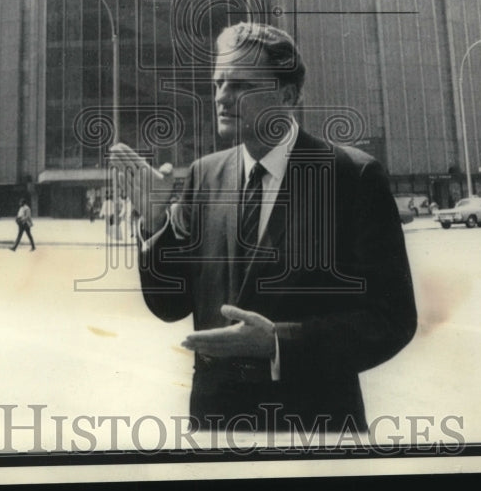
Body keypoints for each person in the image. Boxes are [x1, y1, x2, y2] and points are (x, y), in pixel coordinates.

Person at [109, 22, 416, 433]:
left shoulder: (351, 176)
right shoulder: (205, 176)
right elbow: (170, 304)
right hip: (217, 427)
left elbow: (392, 318)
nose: (221, 97)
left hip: (312, 427)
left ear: (287, 95)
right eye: (218, 83)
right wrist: (153, 223)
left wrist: (278, 344)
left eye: (239, 86)